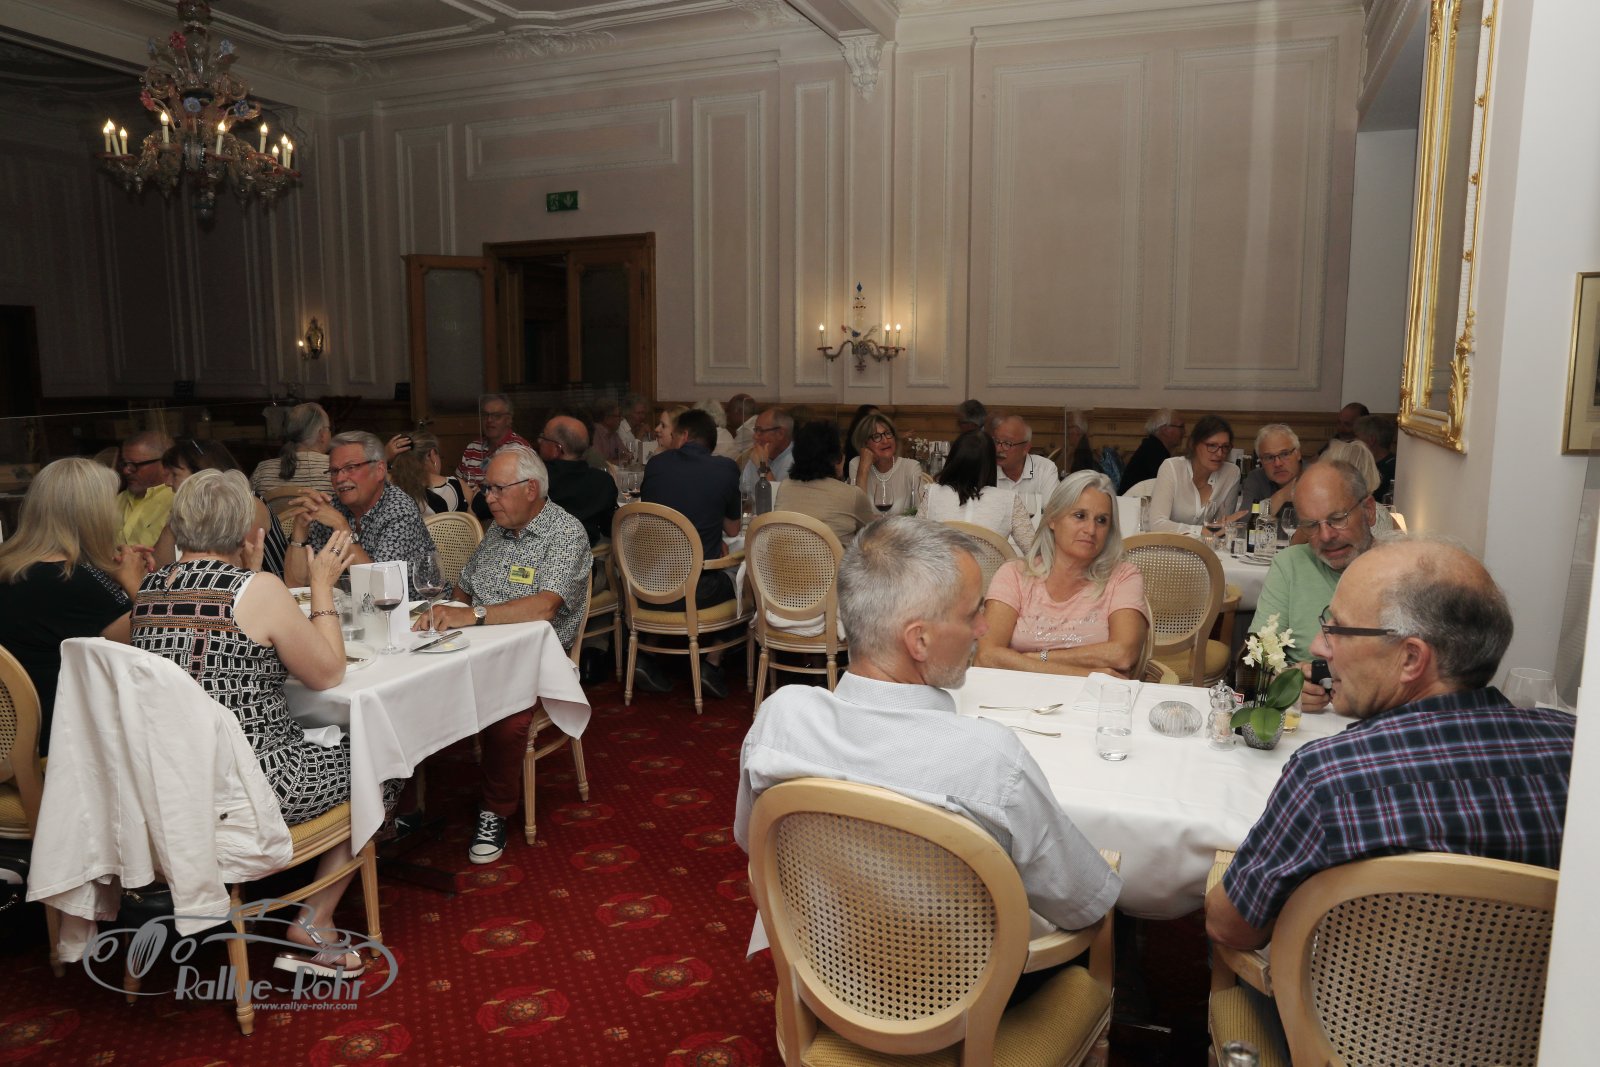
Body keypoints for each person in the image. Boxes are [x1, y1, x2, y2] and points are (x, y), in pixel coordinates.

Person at [734, 517, 1122, 934]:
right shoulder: (990, 762)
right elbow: (1083, 903)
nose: (984, 628)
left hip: (818, 957)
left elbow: (750, 840)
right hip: (963, 973)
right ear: (919, 641)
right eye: (972, 613)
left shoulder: (779, 721)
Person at [1205, 537, 1574, 951]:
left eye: (1335, 629)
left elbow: (1231, 927)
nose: (1317, 648)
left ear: (1411, 659)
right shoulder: (1579, 757)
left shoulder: (1330, 778)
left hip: (1340, 993)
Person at [130, 469, 374, 977]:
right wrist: (322, 586)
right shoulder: (257, 589)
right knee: (379, 761)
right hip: (255, 787)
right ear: (245, 526)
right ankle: (315, 920)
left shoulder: (151, 589)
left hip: (168, 787)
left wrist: (253, 576)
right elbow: (328, 673)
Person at [412, 446, 591, 866]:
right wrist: (444, 614)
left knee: (508, 720)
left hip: (533, 659)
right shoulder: (496, 530)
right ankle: (404, 808)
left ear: (530, 489)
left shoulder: (565, 533)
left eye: (496, 488)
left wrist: (472, 615)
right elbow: (464, 588)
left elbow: (545, 607)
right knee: (410, 688)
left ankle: (494, 811)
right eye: (486, 488)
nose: (487, 497)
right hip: (474, 648)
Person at [0, 458, 149, 750]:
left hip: (11, 743)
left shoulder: (12, 567)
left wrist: (105, 570)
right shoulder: (75, 582)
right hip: (63, 748)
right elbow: (153, 642)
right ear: (93, 516)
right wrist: (135, 582)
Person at [976, 472, 1149, 677]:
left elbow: (1123, 654)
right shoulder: (1015, 574)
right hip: (1019, 694)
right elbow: (986, 656)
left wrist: (1035, 658)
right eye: (1080, 516)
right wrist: (1087, 674)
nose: (1091, 529)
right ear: (1052, 519)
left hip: (1092, 697)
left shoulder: (1123, 577)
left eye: (1102, 520)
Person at [1253, 459, 1381, 713]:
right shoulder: (1290, 565)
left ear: (1368, 510)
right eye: (1311, 525)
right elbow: (1254, 660)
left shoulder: (1402, 571)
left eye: (1338, 519)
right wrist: (1280, 683)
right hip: (1307, 720)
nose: (1326, 536)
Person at [638, 408, 742, 698]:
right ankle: (712, 662)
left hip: (648, 585)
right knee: (747, 580)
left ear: (683, 435)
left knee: (669, 566)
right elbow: (733, 529)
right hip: (698, 590)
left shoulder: (656, 464)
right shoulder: (724, 469)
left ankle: (646, 655)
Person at [282, 431, 433, 598]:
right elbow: (296, 586)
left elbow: (381, 593)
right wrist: (300, 529)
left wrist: (342, 527)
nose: (339, 478)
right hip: (347, 609)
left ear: (380, 470)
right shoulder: (332, 507)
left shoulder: (399, 509)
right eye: (334, 471)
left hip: (416, 610)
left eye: (350, 468)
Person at [154, 438, 283, 575]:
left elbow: (236, 566)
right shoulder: (197, 510)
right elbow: (159, 570)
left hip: (263, 584)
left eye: (175, 474)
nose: (168, 482)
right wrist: (174, 521)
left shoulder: (247, 505)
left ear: (202, 474)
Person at [917, 430, 1034, 552]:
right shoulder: (1009, 501)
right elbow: (1034, 552)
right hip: (990, 565)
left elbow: (914, 543)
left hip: (942, 564)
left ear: (953, 458)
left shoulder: (933, 494)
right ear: (991, 463)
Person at [774, 421, 877, 543]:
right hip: (837, 556)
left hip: (786, 555)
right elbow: (871, 534)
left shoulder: (784, 487)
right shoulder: (851, 495)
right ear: (835, 459)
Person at [1148, 414, 1240, 535]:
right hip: (1168, 544)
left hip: (1208, 545)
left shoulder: (1231, 473)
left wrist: (1212, 531)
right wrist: (1201, 531)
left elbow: (1223, 526)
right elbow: (1157, 524)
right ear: (1193, 444)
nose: (1219, 453)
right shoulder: (1172, 467)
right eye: (1212, 445)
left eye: (1225, 447)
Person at [536, 415, 618, 546]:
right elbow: (609, 528)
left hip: (539, 552)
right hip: (586, 551)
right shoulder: (603, 481)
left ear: (557, 449)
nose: (539, 441)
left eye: (544, 437)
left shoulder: (537, 479)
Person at [847, 411, 923, 517]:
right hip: (867, 528)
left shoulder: (911, 467)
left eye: (888, 434)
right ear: (865, 443)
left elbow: (920, 513)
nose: (885, 441)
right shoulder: (856, 464)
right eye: (876, 436)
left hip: (902, 528)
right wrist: (863, 469)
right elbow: (857, 513)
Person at [250, 402, 333, 496]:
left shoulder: (262, 471)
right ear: (322, 434)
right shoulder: (337, 469)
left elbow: (247, 503)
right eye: (329, 428)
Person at [455, 393, 530, 492]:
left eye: (497, 416)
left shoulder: (520, 449)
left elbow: (524, 491)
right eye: (486, 415)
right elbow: (458, 484)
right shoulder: (472, 447)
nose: (489, 420)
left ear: (508, 420)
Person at [115, 430, 174, 548]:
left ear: (164, 463)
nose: (126, 470)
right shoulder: (117, 501)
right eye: (124, 464)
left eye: (134, 465)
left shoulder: (178, 503)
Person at [389, 430, 471, 515]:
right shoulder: (458, 486)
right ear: (431, 454)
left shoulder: (394, 488)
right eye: (438, 454)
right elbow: (475, 519)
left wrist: (386, 456)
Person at [993, 415, 1060, 512]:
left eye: (1007, 444)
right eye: (996, 442)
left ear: (1026, 448)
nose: (998, 449)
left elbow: (1053, 512)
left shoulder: (1044, 469)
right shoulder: (987, 469)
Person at [1238, 423, 1302, 513]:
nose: (1278, 464)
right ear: (1261, 461)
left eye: (1284, 454)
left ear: (1298, 454)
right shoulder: (1256, 478)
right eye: (1269, 457)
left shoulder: (1315, 476)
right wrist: (1281, 496)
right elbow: (1244, 518)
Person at [1119, 409, 1185, 493]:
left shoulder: (1152, 448)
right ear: (1165, 430)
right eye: (1181, 427)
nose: (1184, 432)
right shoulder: (1153, 453)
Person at [740, 407, 795, 498]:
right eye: (755, 430)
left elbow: (779, 501)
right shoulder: (758, 454)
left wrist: (762, 467)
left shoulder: (799, 461)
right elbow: (744, 493)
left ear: (780, 434)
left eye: (760, 431)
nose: (755, 437)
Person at [1354, 413, 1398, 503]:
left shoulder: (1391, 469)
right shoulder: (1366, 463)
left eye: (1357, 437)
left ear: (1371, 440)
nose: (1354, 442)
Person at [591, 396, 630, 464]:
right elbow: (598, 463)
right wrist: (619, 461)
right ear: (607, 418)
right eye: (618, 416)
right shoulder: (594, 433)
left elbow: (626, 455)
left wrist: (621, 459)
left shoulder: (613, 433)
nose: (621, 419)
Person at [1062, 409, 1101, 475]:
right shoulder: (1080, 449)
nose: (1066, 433)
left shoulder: (1082, 452)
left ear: (1078, 430)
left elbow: (1076, 478)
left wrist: (1068, 460)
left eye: (1069, 427)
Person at [617, 393, 652, 458]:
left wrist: (651, 437)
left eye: (643, 413)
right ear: (628, 413)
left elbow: (648, 453)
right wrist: (639, 436)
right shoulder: (620, 428)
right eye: (638, 413)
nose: (642, 416)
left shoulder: (641, 426)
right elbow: (630, 456)